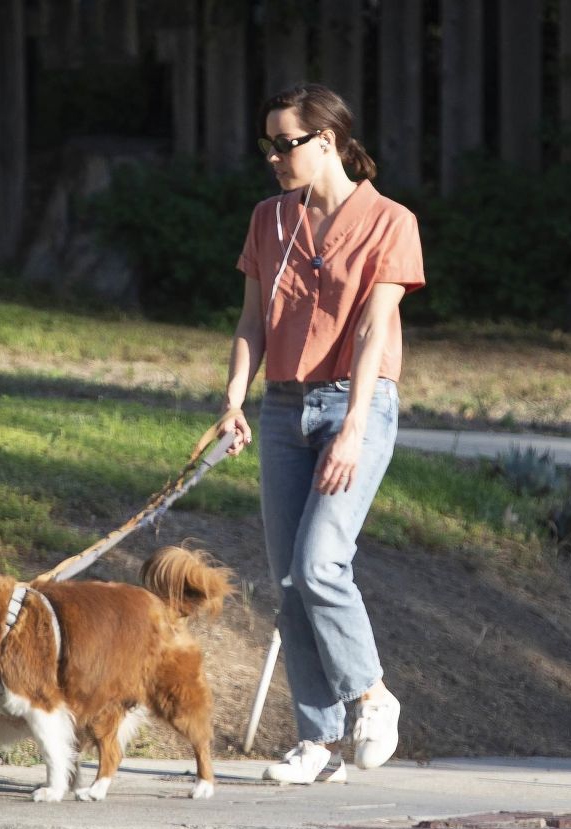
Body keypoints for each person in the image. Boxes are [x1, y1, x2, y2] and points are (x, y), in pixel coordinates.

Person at [221, 83, 426, 784]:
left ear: (328, 142)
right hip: (280, 408)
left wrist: (355, 427)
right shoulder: (269, 220)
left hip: (354, 404)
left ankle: (371, 694)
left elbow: (374, 330)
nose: (275, 157)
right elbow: (251, 322)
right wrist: (232, 401)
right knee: (287, 578)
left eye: (287, 143)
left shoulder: (392, 221)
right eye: (268, 145)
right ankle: (320, 741)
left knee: (319, 564)